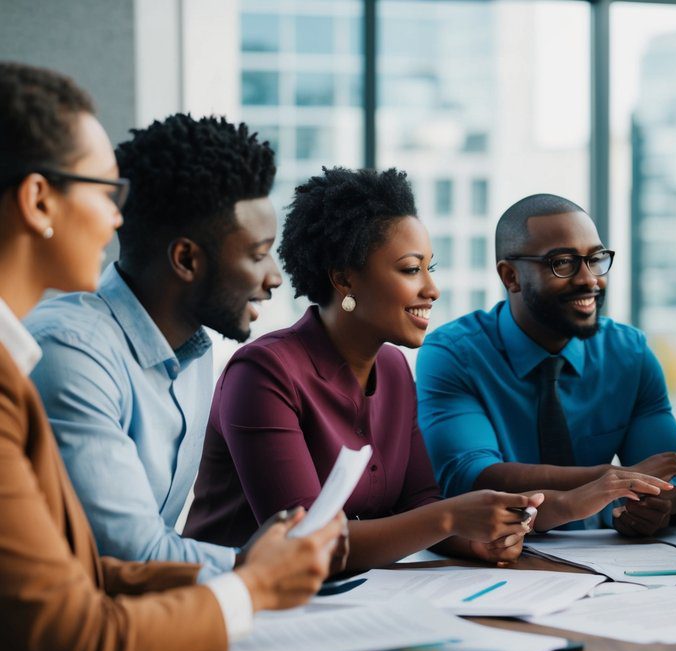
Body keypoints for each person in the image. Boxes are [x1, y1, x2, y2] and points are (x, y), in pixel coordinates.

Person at [0, 61, 342, 651]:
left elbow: (88, 569)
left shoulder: (189, 353)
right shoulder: (56, 352)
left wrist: (257, 571)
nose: (120, 218)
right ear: (38, 201)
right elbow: (82, 634)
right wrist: (251, 585)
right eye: (105, 192)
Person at [186, 167, 542, 567]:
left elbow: (420, 501)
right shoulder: (262, 373)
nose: (432, 289)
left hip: (351, 600)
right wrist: (451, 518)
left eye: (431, 268)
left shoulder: (393, 368)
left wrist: (475, 539)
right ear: (343, 279)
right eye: (411, 269)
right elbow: (305, 541)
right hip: (232, 603)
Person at [25, 113, 283, 579]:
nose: (274, 278)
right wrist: (255, 567)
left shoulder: (196, 350)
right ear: (186, 259)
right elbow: (131, 553)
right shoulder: (70, 352)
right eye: (258, 254)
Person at [416, 194, 676, 536]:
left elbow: (674, 471)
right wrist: (614, 478)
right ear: (511, 276)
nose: (589, 279)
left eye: (596, 259)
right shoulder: (453, 354)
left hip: (606, 559)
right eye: (563, 263)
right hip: (485, 553)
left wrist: (662, 504)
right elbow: (471, 473)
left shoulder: (629, 353)